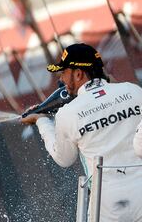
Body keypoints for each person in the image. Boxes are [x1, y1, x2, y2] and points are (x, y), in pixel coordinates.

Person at [21, 43, 142, 221]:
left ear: (78, 73)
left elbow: (64, 159)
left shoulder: (67, 113)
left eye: (64, 73)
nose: (61, 79)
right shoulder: (134, 91)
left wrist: (41, 121)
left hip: (106, 206)